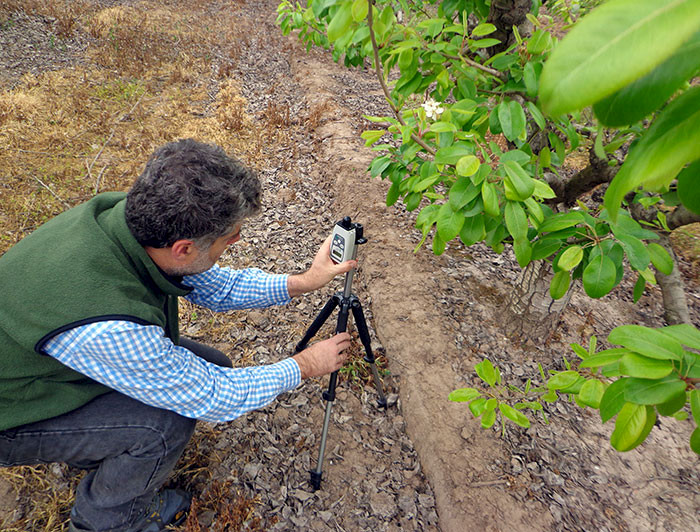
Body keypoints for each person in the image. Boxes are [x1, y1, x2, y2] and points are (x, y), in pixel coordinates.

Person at [0, 138, 357, 532]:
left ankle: (103, 453)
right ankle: (109, 522)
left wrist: (305, 281)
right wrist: (305, 365)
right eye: (230, 238)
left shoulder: (130, 221)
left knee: (213, 365)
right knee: (165, 421)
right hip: (12, 411)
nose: (236, 241)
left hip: (47, 366)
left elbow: (217, 288)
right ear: (184, 249)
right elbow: (212, 397)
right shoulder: (113, 327)